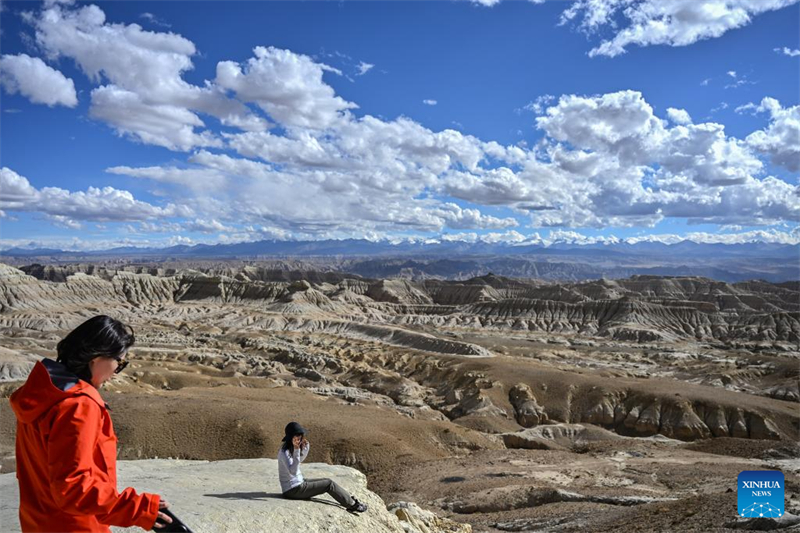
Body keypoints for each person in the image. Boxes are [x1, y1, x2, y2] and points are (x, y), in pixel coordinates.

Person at [10, 315, 172, 532]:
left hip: (38, 522)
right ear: (96, 358)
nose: (117, 371)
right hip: (77, 526)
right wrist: (137, 509)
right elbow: (74, 489)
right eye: (119, 362)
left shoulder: (43, 393)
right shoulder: (78, 406)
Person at [278, 421, 368, 513]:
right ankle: (352, 504)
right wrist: (297, 450)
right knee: (328, 484)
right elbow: (293, 471)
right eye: (297, 436)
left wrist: (305, 448)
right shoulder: (284, 453)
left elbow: (298, 461)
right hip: (293, 490)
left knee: (325, 480)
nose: (299, 438)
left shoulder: (289, 449)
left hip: (296, 484)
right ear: (291, 438)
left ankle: (347, 498)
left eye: (300, 436)